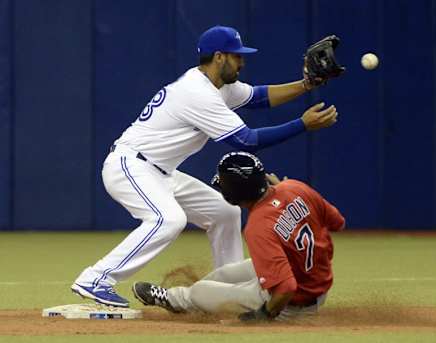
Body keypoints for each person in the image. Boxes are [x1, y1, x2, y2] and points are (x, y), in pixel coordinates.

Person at [71, 25, 339, 308]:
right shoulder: (197, 93)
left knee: (225, 211)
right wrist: (302, 124)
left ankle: (226, 291)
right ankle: (96, 278)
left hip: (161, 171)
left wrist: (306, 84)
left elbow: (260, 98)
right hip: (130, 166)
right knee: (168, 219)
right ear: (220, 57)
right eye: (237, 56)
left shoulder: (218, 86)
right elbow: (246, 141)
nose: (243, 62)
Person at [132, 152, 345, 321]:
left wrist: (265, 314)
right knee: (225, 274)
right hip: (310, 278)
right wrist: (288, 196)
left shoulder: (259, 227)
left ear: (232, 194)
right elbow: (337, 222)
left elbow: (286, 288)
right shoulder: (294, 187)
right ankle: (200, 303)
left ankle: (176, 299)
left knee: (201, 291)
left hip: (290, 305)